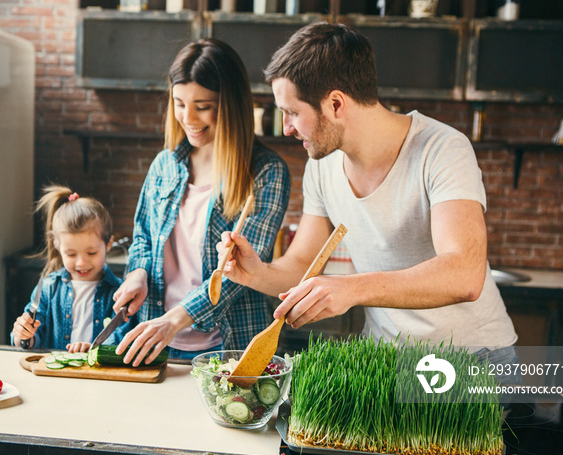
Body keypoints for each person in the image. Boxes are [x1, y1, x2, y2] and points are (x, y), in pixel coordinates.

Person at [219, 22, 519, 375]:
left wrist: (352, 288)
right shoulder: (322, 165)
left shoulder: (442, 149)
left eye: (293, 112)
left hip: (471, 360)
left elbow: (464, 275)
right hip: (385, 362)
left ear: (335, 104)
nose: (286, 128)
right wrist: (258, 273)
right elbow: (301, 265)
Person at [112, 38, 291, 366]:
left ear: (231, 104)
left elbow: (238, 275)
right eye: (179, 103)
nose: (188, 117)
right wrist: (137, 273)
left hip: (229, 348)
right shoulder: (165, 164)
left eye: (203, 106)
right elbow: (142, 237)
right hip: (156, 342)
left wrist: (175, 320)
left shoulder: (266, 172)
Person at [11, 185, 126, 352]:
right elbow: (29, 341)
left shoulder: (120, 293)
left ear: (108, 244)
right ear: (57, 246)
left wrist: (97, 350)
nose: (81, 263)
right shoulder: (48, 288)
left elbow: (125, 337)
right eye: (71, 254)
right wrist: (22, 335)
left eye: (91, 253)